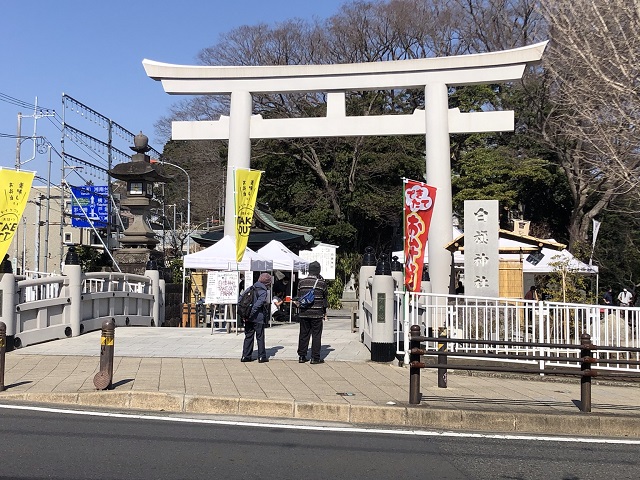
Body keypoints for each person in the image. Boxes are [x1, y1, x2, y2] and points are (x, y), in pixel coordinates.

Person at [296, 261, 328, 364]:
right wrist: (324, 312)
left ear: (309, 270)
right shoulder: (322, 283)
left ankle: (302, 356)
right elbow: (324, 299)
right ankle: (315, 358)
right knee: (316, 335)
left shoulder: (301, 282)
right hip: (317, 313)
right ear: (318, 271)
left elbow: (299, 296)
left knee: (303, 334)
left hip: (304, 312)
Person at [240, 272, 272, 363]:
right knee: (260, 337)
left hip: (247, 317)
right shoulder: (263, 291)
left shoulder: (250, 288)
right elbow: (258, 304)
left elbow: (240, 300)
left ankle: (246, 356)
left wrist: (245, 314)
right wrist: (251, 313)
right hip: (258, 317)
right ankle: (261, 356)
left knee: (248, 336)